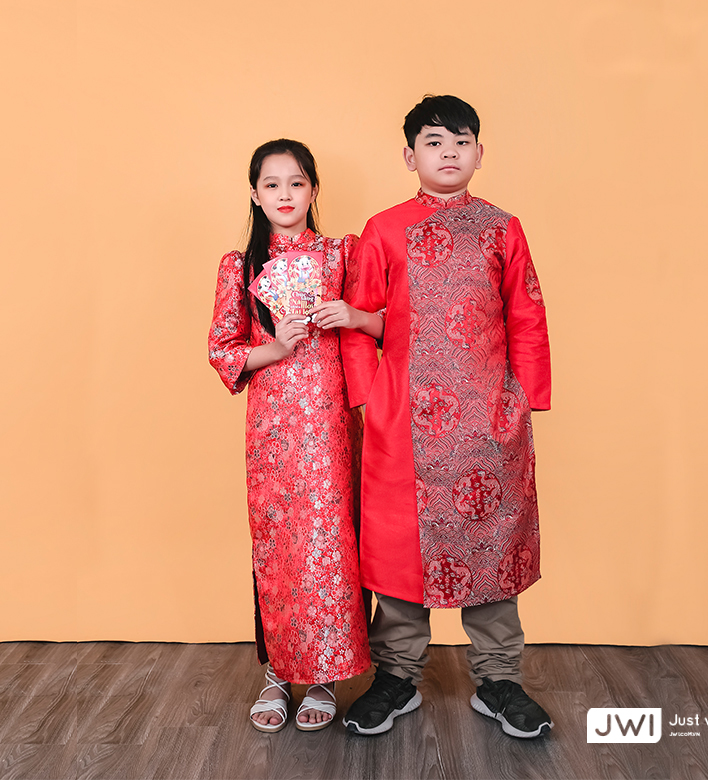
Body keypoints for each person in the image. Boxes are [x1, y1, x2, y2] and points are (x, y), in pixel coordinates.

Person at [339, 96, 553, 738]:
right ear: (410, 157)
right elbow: (358, 320)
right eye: (434, 142)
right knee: (399, 554)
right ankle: (395, 678)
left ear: (480, 154)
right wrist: (369, 399)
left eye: (462, 142)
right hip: (403, 420)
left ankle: (500, 680)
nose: (449, 153)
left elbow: (526, 314)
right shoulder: (383, 229)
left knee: (492, 550)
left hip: (488, 423)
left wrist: (522, 401)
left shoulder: (503, 229)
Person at [208, 139, 382, 732]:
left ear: (313, 190)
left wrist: (352, 316)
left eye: (297, 182)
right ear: (255, 194)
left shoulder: (341, 255)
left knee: (333, 545)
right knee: (279, 548)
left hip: (333, 426)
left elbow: (389, 320)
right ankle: (279, 673)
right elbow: (222, 350)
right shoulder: (240, 267)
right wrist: (275, 348)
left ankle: (326, 677)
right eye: (272, 184)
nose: (285, 194)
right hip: (273, 432)